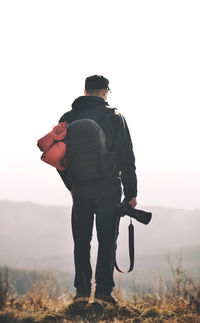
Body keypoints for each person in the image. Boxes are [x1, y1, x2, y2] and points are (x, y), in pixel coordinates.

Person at [57, 75, 137, 304]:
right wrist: (131, 193)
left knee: (81, 240)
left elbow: (58, 156)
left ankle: (81, 293)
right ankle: (103, 293)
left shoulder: (68, 118)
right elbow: (126, 157)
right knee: (107, 239)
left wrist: (71, 184)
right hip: (108, 188)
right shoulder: (114, 116)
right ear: (105, 92)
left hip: (80, 188)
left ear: (84, 92)